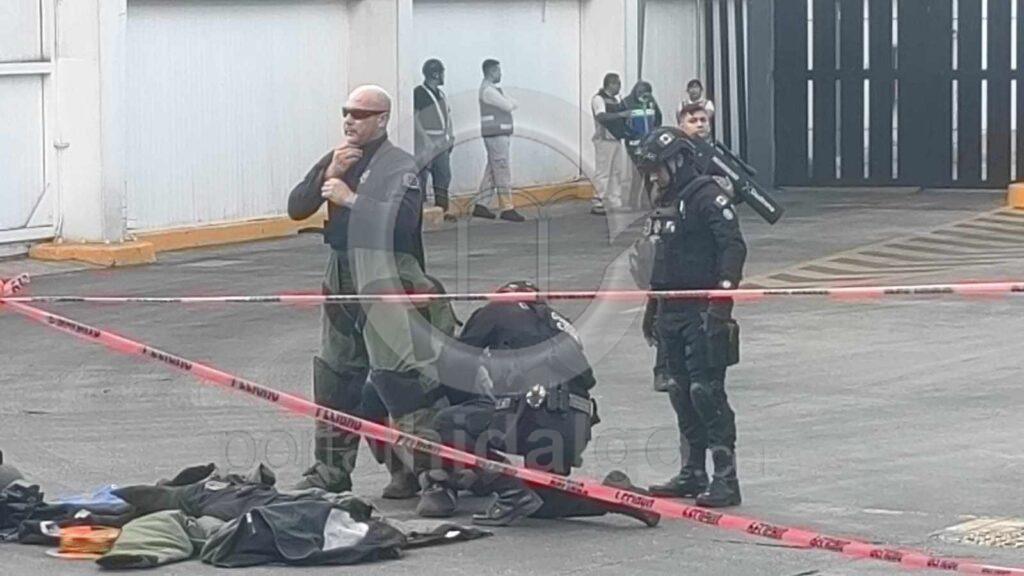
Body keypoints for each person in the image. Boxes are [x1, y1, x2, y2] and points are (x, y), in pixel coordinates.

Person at [287, 85, 449, 500]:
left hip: (388, 269)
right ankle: (331, 470)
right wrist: (327, 174)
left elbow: (405, 221)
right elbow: (297, 207)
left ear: (382, 119)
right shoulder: (339, 157)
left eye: (359, 114)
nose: (349, 120)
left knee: (400, 377)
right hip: (341, 267)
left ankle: (432, 477)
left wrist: (351, 199)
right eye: (346, 112)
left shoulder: (400, 165)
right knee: (336, 374)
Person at [415, 281, 660, 527]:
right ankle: (617, 498)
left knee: (448, 423)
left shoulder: (498, 309)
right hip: (574, 423)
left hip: (534, 412)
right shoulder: (559, 324)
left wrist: (458, 405)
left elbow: (456, 366)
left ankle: (511, 492)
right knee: (542, 500)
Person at [631, 127, 746, 508]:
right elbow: (659, 258)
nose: (653, 176)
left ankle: (726, 478)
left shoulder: (707, 196)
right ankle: (693, 471)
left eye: (657, 168)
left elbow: (733, 248)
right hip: (670, 310)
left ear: (678, 161)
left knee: (705, 392)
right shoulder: (665, 200)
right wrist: (652, 307)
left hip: (701, 310)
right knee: (679, 390)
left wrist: (720, 306)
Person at [474, 59, 525, 223]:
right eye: (498, 71)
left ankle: (481, 205)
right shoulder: (489, 91)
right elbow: (508, 105)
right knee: (502, 170)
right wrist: (510, 103)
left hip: (498, 134)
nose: (501, 74)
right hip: (495, 135)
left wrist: (510, 102)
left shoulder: (494, 90)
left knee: (492, 170)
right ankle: (507, 207)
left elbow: (513, 102)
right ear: (492, 71)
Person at [414, 59, 456, 222]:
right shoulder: (419, 93)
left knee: (443, 174)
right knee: (422, 175)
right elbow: (416, 118)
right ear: (435, 74)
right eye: (442, 73)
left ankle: (443, 208)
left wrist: (451, 134)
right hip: (427, 140)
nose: (444, 76)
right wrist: (425, 139)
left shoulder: (441, 94)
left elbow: (447, 115)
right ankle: (419, 208)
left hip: (442, 140)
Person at [590, 73, 631, 215]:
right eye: (618, 84)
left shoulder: (616, 99)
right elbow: (601, 116)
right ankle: (598, 200)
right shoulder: (598, 99)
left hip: (616, 139)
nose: (619, 87)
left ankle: (615, 201)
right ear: (611, 84)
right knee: (604, 172)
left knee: (616, 172)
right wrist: (621, 115)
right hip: (604, 139)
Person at [622, 81, 663, 210]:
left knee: (649, 172)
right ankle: (633, 202)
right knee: (637, 173)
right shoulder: (627, 103)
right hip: (634, 145)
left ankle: (648, 201)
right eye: (640, 92)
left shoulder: (651, 102)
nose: (643, 94)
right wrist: (629, 135)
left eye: (646, 92)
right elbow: (622, 122)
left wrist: (654, 134)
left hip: (648, 144)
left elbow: (658, 118)